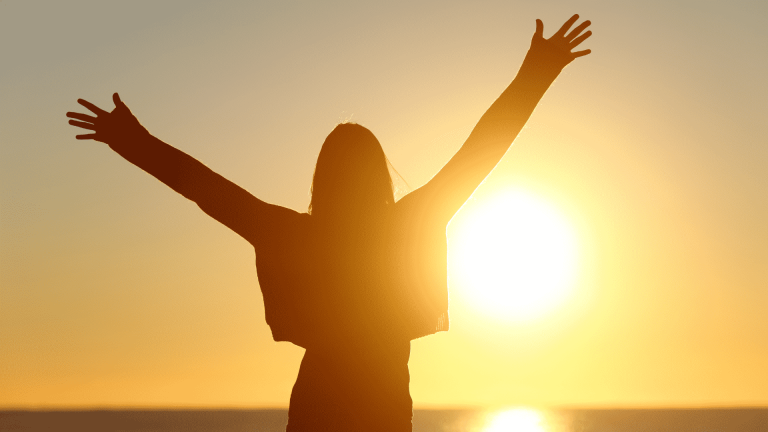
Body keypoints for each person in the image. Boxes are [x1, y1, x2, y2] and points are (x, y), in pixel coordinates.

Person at [67, 15, 592, 432]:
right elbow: (481, 151)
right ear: (379, 178)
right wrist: (537, 72)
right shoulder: (406, 225)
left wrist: (133, 142)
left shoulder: (293, 234)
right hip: (384, 412)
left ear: (321, 182)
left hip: (317, 411)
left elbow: (207, 190)